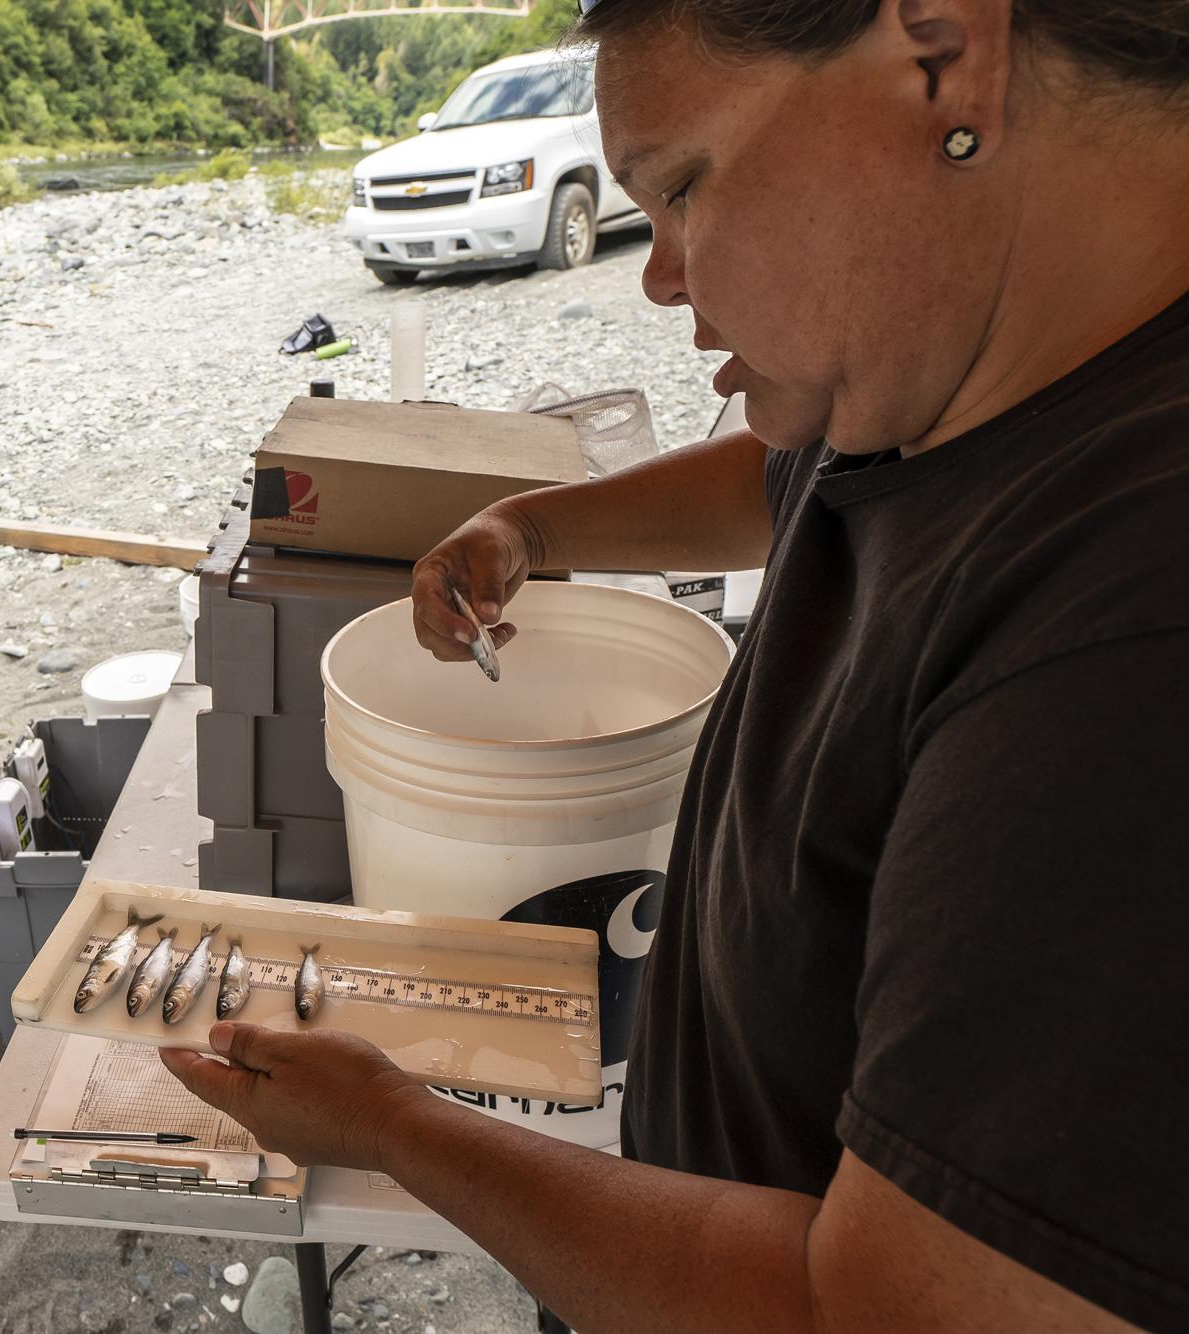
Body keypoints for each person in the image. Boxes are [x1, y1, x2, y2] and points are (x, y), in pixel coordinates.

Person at [164, 1, 1189, 1327]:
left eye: (686, 186)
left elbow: (870, 1308)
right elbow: (799, 471)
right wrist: (539, 525)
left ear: (946, 52)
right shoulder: (960, 356)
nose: (658, 271)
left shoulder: (1126, 658)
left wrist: (397, 1125)